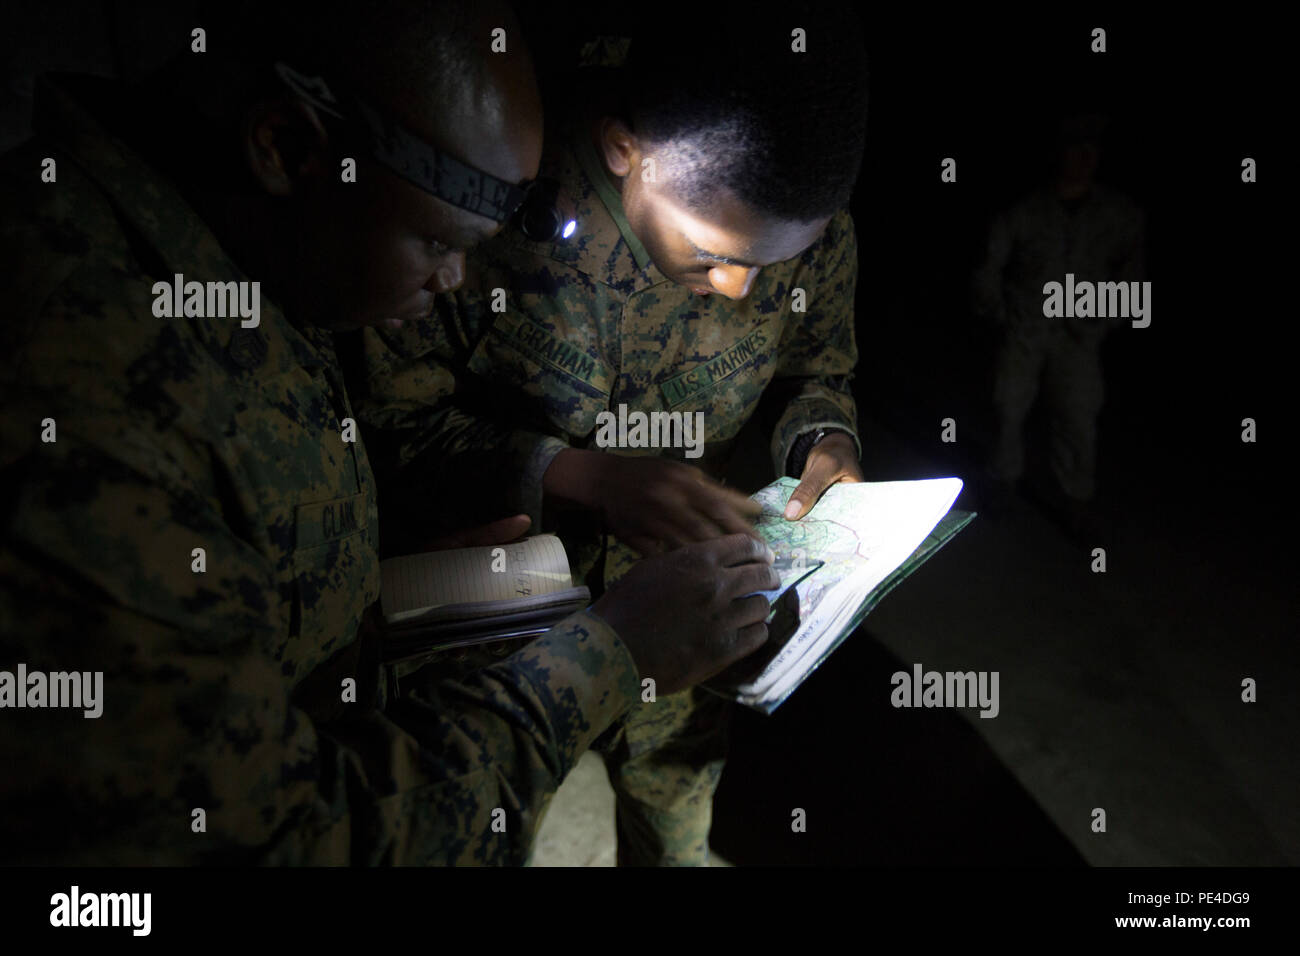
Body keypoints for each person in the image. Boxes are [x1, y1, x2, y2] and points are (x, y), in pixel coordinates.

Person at [0, 0, 778, 866]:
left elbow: (235, 593)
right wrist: (608, 656)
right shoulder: (82, 397)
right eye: (438, 241)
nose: (456, 281)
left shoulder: (232, 259)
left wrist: (386, 612)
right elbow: (291, 843)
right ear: (289, 149)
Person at [348, 5, 870, 865]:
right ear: (626, 150)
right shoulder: (488, 191)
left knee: (673, 828)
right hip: (492, 630)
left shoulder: (800, 215)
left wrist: (823, 439)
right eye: (711, 253)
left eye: (770, 265)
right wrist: (574, 476)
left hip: (686, 609)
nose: (740, 287)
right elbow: (383, 427)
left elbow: (817, 368)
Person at [973, 112, 1146, 537]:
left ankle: (1076, 499)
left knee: (1078, 414)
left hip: (1080, 333)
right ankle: (1003, 481)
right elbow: (990, 263)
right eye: (1075, 146)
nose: (1084, 157)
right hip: (1027, 325)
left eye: (1092, 148)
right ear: (1060, 152)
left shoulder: (1118, 214)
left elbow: (1134, 274)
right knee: (1008, 404)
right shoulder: (1027, 208)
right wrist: (997, 310)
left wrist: (1107, 319)